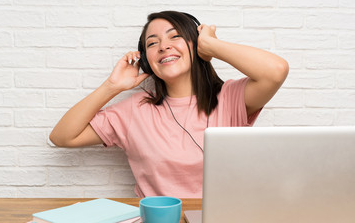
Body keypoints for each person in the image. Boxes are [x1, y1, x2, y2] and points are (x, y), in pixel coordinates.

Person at [50, 11, 289, 198]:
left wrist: (211, 46)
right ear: (147, 61)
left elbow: (276, 71)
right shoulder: (135, 109)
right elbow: (62, 137)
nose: (163, 46)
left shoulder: (231, 97)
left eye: (175, 36)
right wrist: (112, 86)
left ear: (196, 45)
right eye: (152, 43)